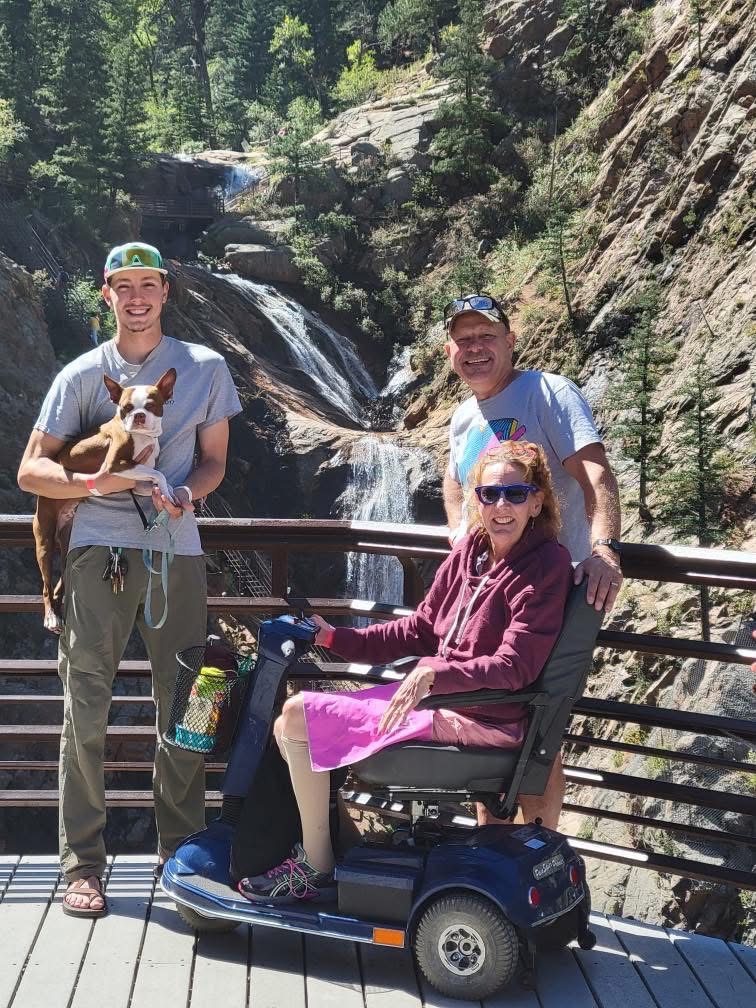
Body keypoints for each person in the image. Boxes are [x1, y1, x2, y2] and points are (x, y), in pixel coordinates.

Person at [236, 440, 573, 905]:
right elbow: (418, 629)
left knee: (295, 716)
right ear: (475, 500)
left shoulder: (546, 565)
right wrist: (335, 638)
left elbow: (516, 666)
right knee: (288, 725)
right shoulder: (471, 553)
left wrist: (434, 673)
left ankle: (317, 865)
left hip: (482, 716)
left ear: (537, 501)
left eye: (515, 494)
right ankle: (332, 850)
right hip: (443, 701)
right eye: (489, 494)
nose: (501, 506)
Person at [17, 241, 242, 918]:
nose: (137, 296)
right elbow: (31, 472)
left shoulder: (205, 368)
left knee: (190, 705)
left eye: (149, 284)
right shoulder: (82, 374)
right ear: (107, 293)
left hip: (178, 552)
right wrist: (98, 484)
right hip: (96, 555)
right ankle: (82, 865)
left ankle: (182, 854)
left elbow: (213, 462)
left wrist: (187, 493)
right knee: (85, 707)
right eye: (125, 285)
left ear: (166, 291)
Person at [441, 292, 623, 829]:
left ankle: (537, 851)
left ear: (510, 341)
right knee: (487, 715)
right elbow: (454, 480)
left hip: (550, 593)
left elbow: (596, 476)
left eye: (486, 336)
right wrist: (457, 533)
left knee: (537, 732)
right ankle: (495, 848)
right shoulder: (462, 416)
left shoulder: (547, 392)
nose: (475, 348)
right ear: (450, 351)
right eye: (464, 339)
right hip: (486, 597)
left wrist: (604, 549)